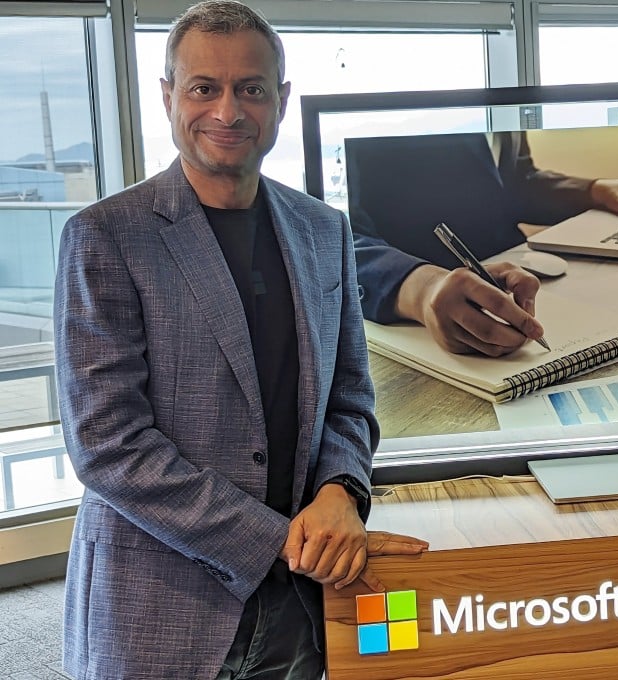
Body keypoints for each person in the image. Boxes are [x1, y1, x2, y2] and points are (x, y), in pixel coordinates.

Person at [53, 2, 426, 678]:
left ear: (279, 101)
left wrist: (342, 490)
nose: (228, 111)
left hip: (303, 605)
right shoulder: (107, 236)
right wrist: (279, 540)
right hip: (164, 606)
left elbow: (348, 397)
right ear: (168, 97)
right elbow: (107, 445)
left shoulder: (324, 230)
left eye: (250, 89)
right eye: (204, 88)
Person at [348, 130, 618, 356]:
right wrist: (422, 289)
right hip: (421, 332)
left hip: (513, 286)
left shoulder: (506, 43)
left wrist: (596, 191)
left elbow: (511, 180)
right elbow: (335, 232)